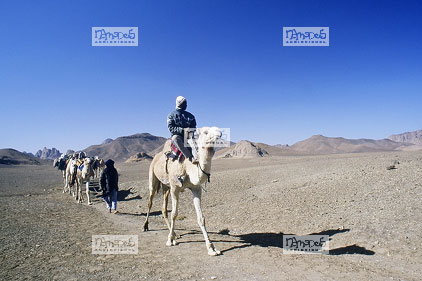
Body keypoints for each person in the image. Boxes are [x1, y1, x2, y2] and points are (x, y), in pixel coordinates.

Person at [167, 96, 198, 163]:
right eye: (184, 103)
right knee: (175, 138)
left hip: (189, 135)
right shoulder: (171, 115)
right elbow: (171, 128)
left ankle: (197, 158)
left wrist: (190, 130)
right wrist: (182, 130)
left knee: (195, 140)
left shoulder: (191, 116)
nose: (185, 105)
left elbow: (194, 126)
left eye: (185, 103)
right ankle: (189, 157)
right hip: (178, 136)